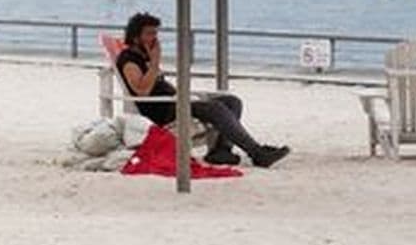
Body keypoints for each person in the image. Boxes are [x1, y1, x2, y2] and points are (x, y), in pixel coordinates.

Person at [116, 12, 289, 167]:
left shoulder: (144, 57)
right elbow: (142, 92)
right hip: (162, 111)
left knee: (232, 101)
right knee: (215, 108)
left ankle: (221, 151)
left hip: (175, 102)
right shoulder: (129, 60)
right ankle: (257, 153)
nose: (154, 38)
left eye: (156, 33)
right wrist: (155, 62)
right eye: (149, 33)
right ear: (135, 37)